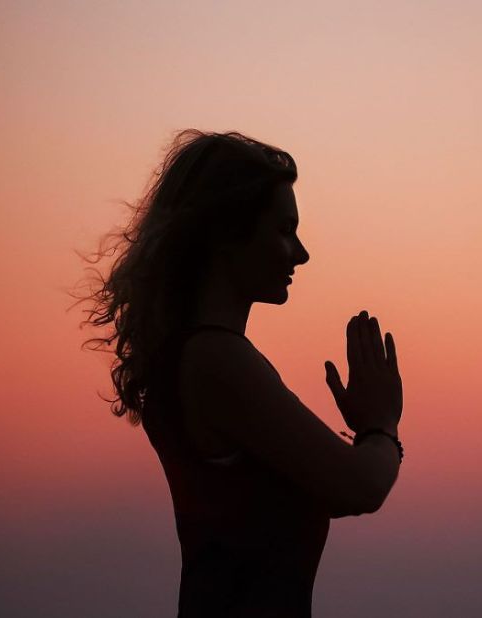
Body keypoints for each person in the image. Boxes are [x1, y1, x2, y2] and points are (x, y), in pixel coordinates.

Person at [75, 130, 404, 617]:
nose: (301, 253)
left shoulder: (190, 356)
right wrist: (383, 426)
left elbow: (314, 490)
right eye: (284, 230)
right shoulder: (217, 361)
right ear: (226, 234)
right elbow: (359, 487)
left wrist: (357, 442)